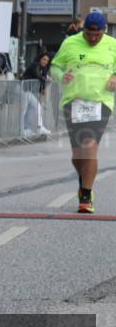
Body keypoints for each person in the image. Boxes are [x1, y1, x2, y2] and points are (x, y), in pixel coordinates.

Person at [49, 11, 116, 214]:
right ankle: (84, 178)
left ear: (104, 30)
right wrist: (62, 77)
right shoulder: (70, 43)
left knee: (90, 146)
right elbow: (55, 68)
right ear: (83, 29)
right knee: (78, 154)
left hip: (101, 101)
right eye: (89, 34)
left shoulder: (113, 44)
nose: (93, 38)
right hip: (73, 101)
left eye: (98, 35)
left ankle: (86, 195)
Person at [21, 51, 51, 136]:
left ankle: (37, 128)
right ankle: (22, 130)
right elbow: (37, 75)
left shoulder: (44, 69)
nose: (45, 62)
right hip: (24, 90)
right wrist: (46, 80)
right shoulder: (35, 65)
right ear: (40, 59)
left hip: (29, 91)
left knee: (36, 108)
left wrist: (43, 90)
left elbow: (42, 80)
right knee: (23, 111)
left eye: (47, 61)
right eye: (44, 59)